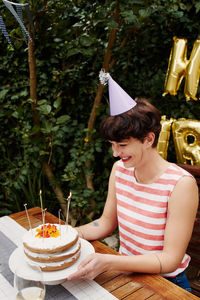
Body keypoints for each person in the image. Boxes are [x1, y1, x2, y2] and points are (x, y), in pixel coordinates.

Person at [67, 76, 198, 292]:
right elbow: (106, 223)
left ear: (148, 139)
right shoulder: (120, 170)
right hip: (125, 275)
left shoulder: (181, 185)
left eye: (122, 145)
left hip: (165, 284)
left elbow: (170, 260)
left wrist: (110, 262)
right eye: (112, 145)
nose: (115, 153)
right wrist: (69, 234)